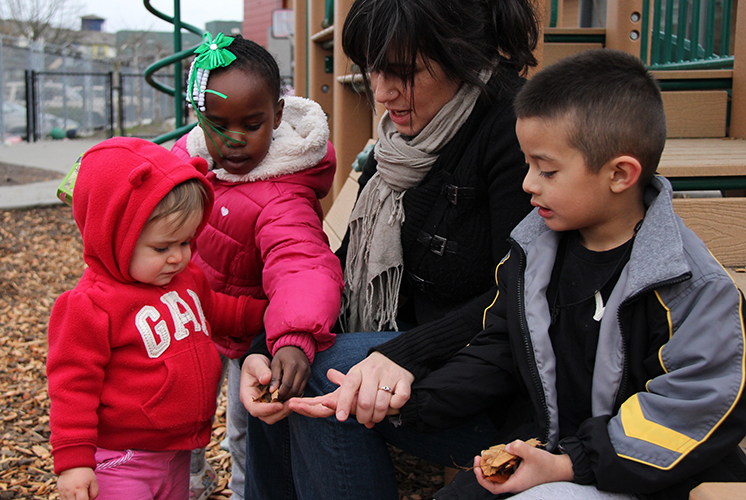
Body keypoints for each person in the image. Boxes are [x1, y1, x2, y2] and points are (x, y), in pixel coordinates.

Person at [314, 49, 746, 500]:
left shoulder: (691, 289)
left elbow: (689, 409)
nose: (528, 184)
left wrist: (568, 464)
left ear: (620, 174)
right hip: (553, 451)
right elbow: (499, 350)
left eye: (547, 170)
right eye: (527, 165)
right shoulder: (537, 253)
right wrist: (411, 399)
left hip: (646, 475)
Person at [240, 0, 539, 498]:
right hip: (412, 357)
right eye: (373, 70)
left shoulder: (519, 132)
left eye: (403, 73)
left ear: (462, 53)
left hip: (490, 391)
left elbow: (519, 300)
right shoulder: (398, 148)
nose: (381, 93)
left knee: (324, 370)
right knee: (287, 366)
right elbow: (344, 263)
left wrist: (399, 354)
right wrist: (272, 345)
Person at [170, 32, 344, 500]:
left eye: (252, 124)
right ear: (200, 120)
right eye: (218, 125)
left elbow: (301, 263)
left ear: (279, 115)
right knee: (176, 414)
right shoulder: (192, 162)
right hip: (192, 322)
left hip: (251, 335)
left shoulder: (282, 191)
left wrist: (295, 335)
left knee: (248, 429)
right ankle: (186, 480)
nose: (234, 140)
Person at [46, 137, 268, 500]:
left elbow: (218, 311)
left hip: (176, 455)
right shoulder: (90, 306)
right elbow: (72, 386)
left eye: (185, 242)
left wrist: (270, 315)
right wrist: (74, 461)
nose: (178, 257)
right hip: (120, 461)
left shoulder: (187, 280)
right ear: (113, 236)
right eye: (162, 248)